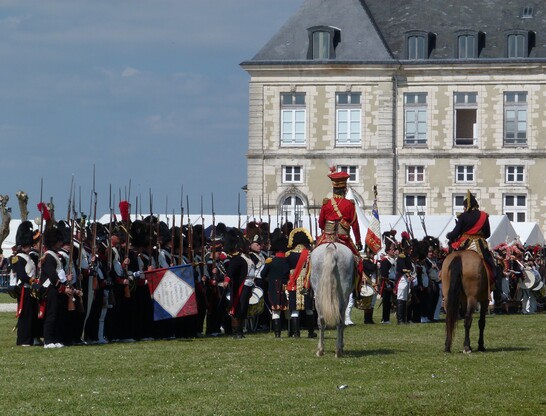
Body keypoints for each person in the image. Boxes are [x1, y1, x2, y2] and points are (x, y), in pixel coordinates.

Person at [316, 167, 363, 300]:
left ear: (333, 188)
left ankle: (307, 287)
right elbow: (355, 225)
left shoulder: (326, 204)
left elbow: (321, 223)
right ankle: (357, 291)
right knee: (358, 261)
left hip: (327, 237)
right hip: (343, 239)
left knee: (309, 259)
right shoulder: (350, 204)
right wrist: (358, 242)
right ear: (345, 189)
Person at [446, 191, 501, 304]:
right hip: (480, 245)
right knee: (492, 265)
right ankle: (497, 290)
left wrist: (448, 235)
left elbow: (455, 233)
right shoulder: (484, 216)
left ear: (466, 206)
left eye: (464, 207)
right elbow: (488, 233)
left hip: (464, 244)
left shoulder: (463, 216)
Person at [10, 221, 39, 346]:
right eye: (27, 245)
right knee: (25, 315)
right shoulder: (17, 258)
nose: (29, 247)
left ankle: (30, 338)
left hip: (31, 289)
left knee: (31, 315)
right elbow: (22, 275)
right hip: (24, 289)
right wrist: (32, 281)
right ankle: (23, 340)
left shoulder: (29, 257)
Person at [285, 227, 317, 338]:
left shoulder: (288, 254)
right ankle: (311, 332)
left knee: (295, 310)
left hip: (293, 282)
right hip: (306, 282)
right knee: (309, 309)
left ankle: (296, 333)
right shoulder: (310, 253)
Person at [260, 235, 290, 338]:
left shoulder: (270, 261)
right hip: (286, 287)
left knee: (275, 311)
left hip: (274, 288)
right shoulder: (288, 261)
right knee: (287, 311)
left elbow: (262, 274)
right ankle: (291, 331)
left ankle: (277, 333)